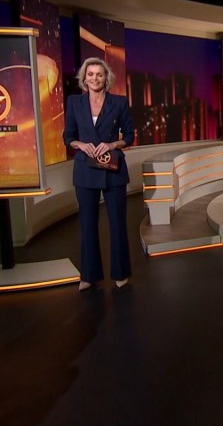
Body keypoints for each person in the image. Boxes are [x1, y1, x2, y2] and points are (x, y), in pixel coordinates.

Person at [63, 57, 135, 291]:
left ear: (106, 78)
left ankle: (121, 273)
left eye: (99, 74)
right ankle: (89, 275)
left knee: (118, 224)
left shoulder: (119, 102)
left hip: (113, 169)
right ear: (84, 78)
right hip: (85, 168)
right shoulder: (74, 102)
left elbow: (130, 136)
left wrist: (113, 144)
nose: (95, 78)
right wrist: (81, 145)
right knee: (87, 224)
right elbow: (68, 137)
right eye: (91, 74)